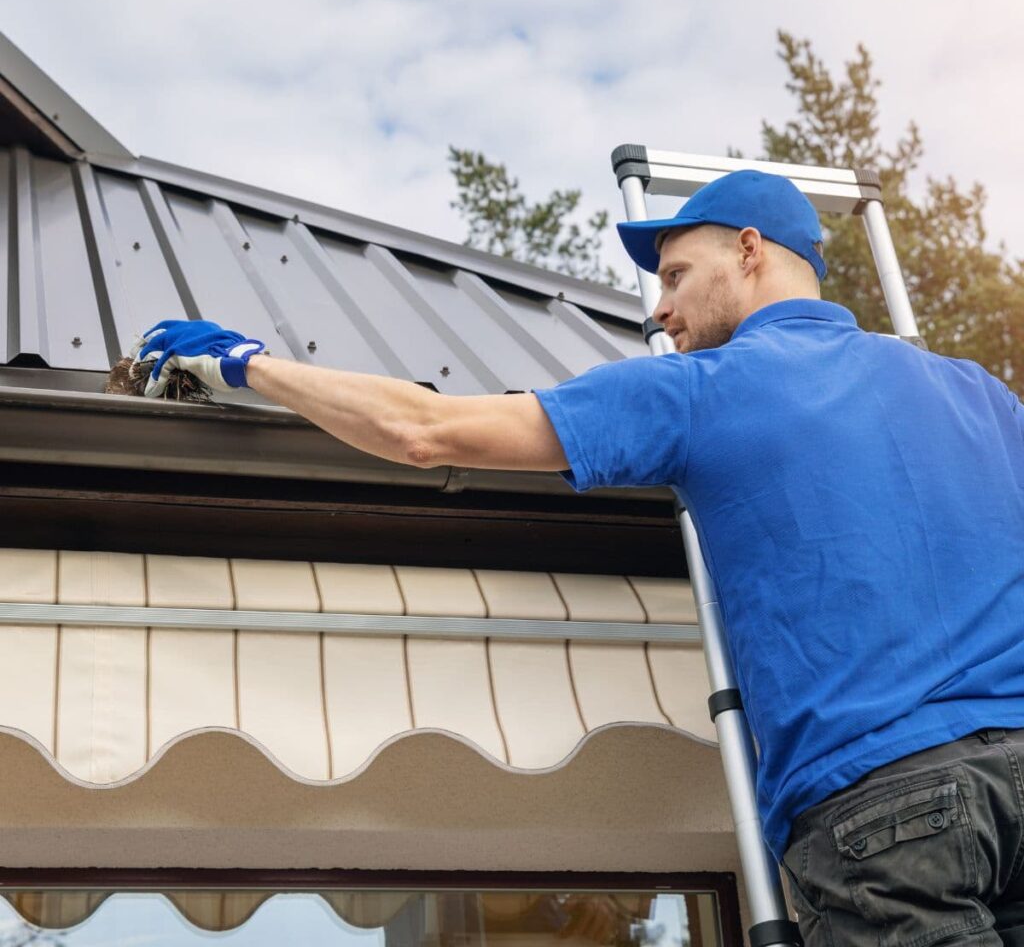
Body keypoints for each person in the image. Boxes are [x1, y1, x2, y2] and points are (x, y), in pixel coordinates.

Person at [134, 170, 1024, 947]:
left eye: (675, 275)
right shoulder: (979, 393)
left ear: (750, 250)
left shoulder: (703, 392)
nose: (659, 308)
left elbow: (425, 430)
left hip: (887, 813)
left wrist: (242, 367)